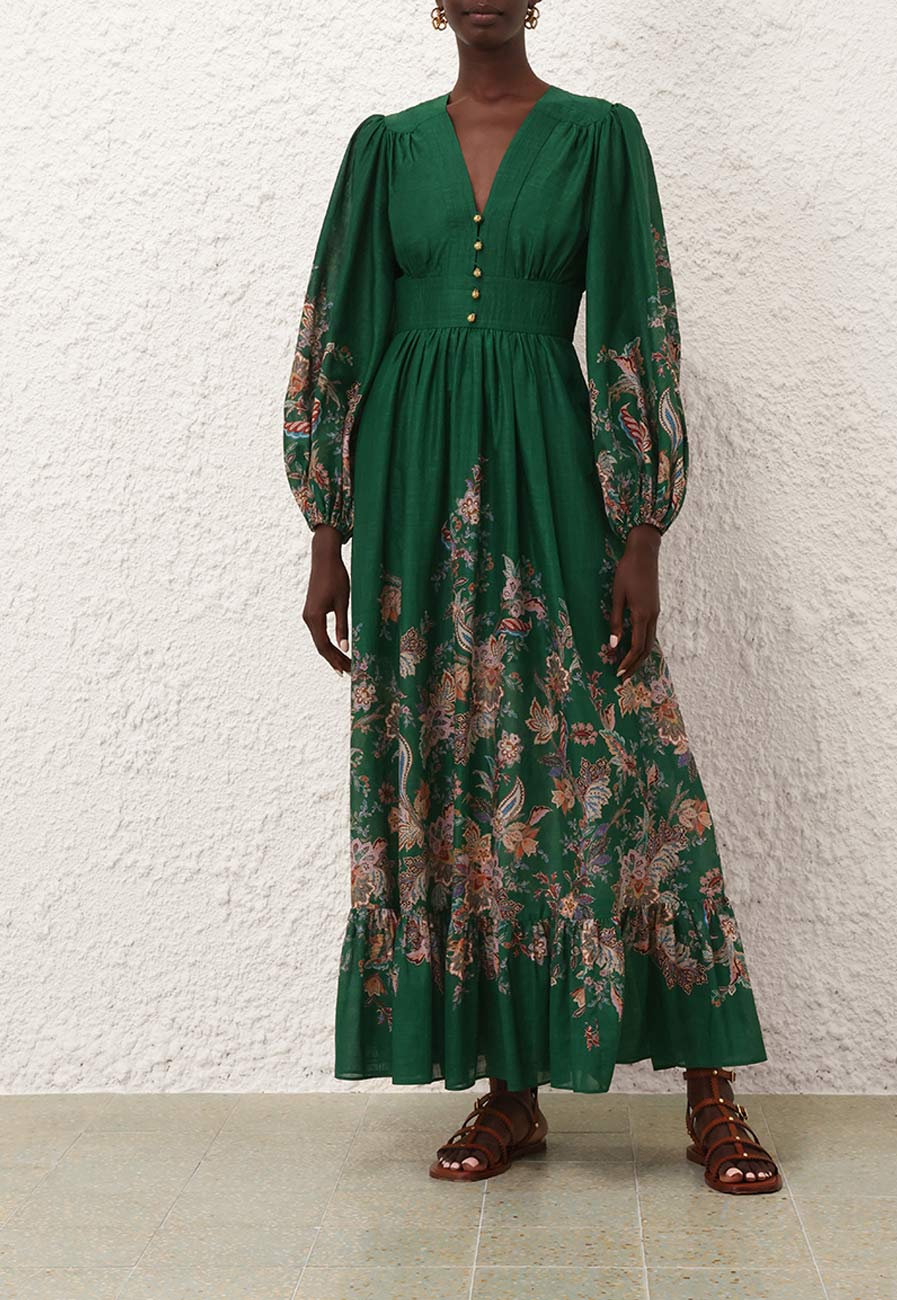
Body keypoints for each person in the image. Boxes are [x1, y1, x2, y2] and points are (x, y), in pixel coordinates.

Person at [282, 0, 780, 1194]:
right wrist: (325, 530)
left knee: (626, 755)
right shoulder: (383, 147)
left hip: (552, 472)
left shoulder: (600, 135)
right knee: (460, 765)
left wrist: (642, 530)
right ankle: (510, 1092)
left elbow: (635, 326)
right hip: (408, 492)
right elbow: (336, 331)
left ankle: (711, 1088)